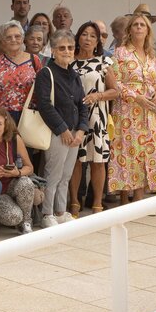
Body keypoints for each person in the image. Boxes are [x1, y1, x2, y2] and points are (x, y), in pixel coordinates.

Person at [109, 13, 156, 202]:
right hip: (127, 110)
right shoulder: (120, 52)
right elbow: (115, 83)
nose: (139, 27)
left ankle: (140, 198)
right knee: (127, 152)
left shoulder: (151, 55)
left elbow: (154, 82)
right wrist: (137, 98)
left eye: (143, 25)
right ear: (129, 29)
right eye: (135, 24)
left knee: (147, 152)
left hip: (148, 112)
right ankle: (125, 198)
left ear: (148, 30)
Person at [35, 29, 89, 225]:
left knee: (66, 175)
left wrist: (81, 130)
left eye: (70, 47)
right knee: (53, 174)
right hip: (57, 132)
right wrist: (63, 130)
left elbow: (82, 104)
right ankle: (47, 214)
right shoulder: (45, 73)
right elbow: (44, 105)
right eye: (62, 48)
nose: (67, 51)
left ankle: (60, 210)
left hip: (75, 133)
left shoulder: (74, 75)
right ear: (53, 50)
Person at [70, 21, 117, 215]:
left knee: (98, 161)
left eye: (92, 36)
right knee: (76, 161)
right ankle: (74, 202)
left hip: (97, 117)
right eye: (84, 34)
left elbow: (115, 91)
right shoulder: (68, 61)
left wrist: (98, 95)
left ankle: (97, 203)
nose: (87, 39)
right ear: (78, 37)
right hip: (73, 118)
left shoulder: (104, 62)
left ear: (98, 41)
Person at [0, 107, 34, 234]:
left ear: (6, 125)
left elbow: (29, 167)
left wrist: (17, 172)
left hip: (12, 185)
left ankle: (26, 221)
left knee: (26, 182)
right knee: (14, 216)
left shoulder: (14, 139)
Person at [0, 21, 41, 124]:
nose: (13, 40)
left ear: (23, 39)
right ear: (3, 41)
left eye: (17, 36)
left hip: (29, 117)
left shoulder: (34, 60)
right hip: (3, 118)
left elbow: (41, 90)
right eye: (9, 37)